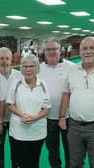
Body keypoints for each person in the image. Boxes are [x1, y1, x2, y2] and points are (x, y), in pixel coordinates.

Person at [6, 55, 51, 168]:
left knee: (34, 162)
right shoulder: (16, 83)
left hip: (37, 132)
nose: (28, 69)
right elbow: (10, 104)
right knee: (21, 162)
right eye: (25, 66)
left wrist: (34, 118)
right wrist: (22, 115)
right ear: (21, 68)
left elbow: (47, 108)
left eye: (31, 66)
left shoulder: (43, 84)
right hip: (19, 132)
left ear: (37, 68)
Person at [59, 36, 94, 167]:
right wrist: (62, 116)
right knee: (75, 163)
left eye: (92, 48)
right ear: (80, 52)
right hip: (74, 127)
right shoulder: (72, 70)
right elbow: (66, 93)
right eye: (85, 48)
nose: (88, 51)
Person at [39, 40, 74, 168]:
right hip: (47, 117)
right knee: (52, 149)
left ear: (60, 50)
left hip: (68, 117)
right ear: (44, 52)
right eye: (48, 49)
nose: (52, 52)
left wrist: (63, 115)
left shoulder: (70, 67)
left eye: (55, 49)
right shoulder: (39, 68)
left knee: (70, 148)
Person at [0, 47, 21, 168]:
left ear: (11, 60)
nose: (4, 61)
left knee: (16, 148)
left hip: (15, 119)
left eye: (7, 58)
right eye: (1, 58)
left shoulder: (19, 75)